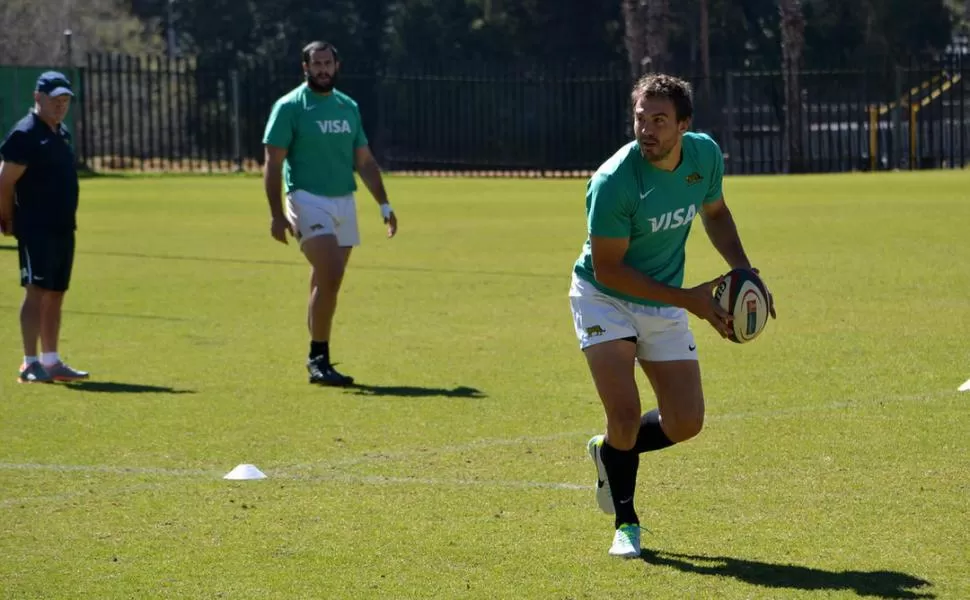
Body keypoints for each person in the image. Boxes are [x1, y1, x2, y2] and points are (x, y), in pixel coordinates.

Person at [569, 73, 775, 558]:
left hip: (663, 300)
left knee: (686, 422)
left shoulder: (703, 157)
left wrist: (744, 272)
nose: (647, 129)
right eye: (641, 118)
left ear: (684, 124)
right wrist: (692, 301)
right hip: (604, 296)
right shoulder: (614, 180)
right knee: (623, 414)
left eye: (660, 120)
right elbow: (610, 270)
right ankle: (627, 524)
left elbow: (717, 213)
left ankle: (609, 452)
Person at [262, 41, 397, 386]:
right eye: (316, 64)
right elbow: (273, 164)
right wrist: (277, 214)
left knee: (326, 281)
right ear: (304, 67)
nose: (322, 69)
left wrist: (384, 203)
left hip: (343, 201)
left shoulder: (347, 106)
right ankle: (317, 358)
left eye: (328, 63)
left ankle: (318, 354)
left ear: (337, 66)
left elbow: (364, 161)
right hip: (306, 197)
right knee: (332, 272)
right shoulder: (289, 107)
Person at [0, 71, 89, 384]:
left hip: (62, 226)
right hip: (35, 227)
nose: (60, 106)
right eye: (55, 100)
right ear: (38, 98)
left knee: (55, 292)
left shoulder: (59, 132)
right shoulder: (25, 133)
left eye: (65, 101)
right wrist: (7, 218)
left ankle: (51, 361)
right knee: (35, 291)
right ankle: (29, 362)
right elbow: (5, 181)